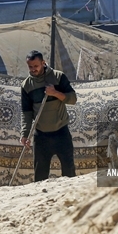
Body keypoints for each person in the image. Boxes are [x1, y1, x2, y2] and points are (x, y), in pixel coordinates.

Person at [20, 50, 78, 182]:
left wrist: (55, 93)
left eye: (36, 66)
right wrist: (25, 134)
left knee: (69, 173)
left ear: (43, 63)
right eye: (30, 67)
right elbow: (27, 112)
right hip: (41, 136)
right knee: (40, 177)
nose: (33, 69)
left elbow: (73, 99)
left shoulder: (58, 77)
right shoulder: (26, 85)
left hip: (61, 133)